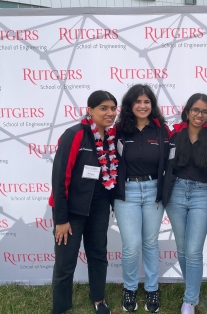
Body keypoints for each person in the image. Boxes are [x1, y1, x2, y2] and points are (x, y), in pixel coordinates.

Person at [48, 90, 118, 314]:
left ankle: (98, 299)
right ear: (90, 110)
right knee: (66, 263)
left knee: (98, 254)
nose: (109, 113)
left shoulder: (110, 137)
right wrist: (61, 219)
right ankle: (61, 307)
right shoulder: (75, 134)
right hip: (72, 210)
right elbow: (60, 178)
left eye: (113, 108)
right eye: (103, 108)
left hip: (99, 208)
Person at [162, 93, 207, 314]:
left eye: (205, 111)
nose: (200, 115)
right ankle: (192, 291)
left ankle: (190, 300)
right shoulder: (174, 133)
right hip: (176, 192)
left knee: (194, 250)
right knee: (182, 248)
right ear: (187, 111)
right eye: (196, 110)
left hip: (202, 195)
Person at [113, 84, 169, 313]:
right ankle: (129, 288)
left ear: (152, 105)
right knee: (131, 246)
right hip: (127, 193)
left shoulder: (162, 130)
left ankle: (152, 289)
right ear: (130, 104)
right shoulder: (119, 130)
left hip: (153, 192)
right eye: (138, 101)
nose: (143, 106)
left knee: (150, 243)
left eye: (147, 102)